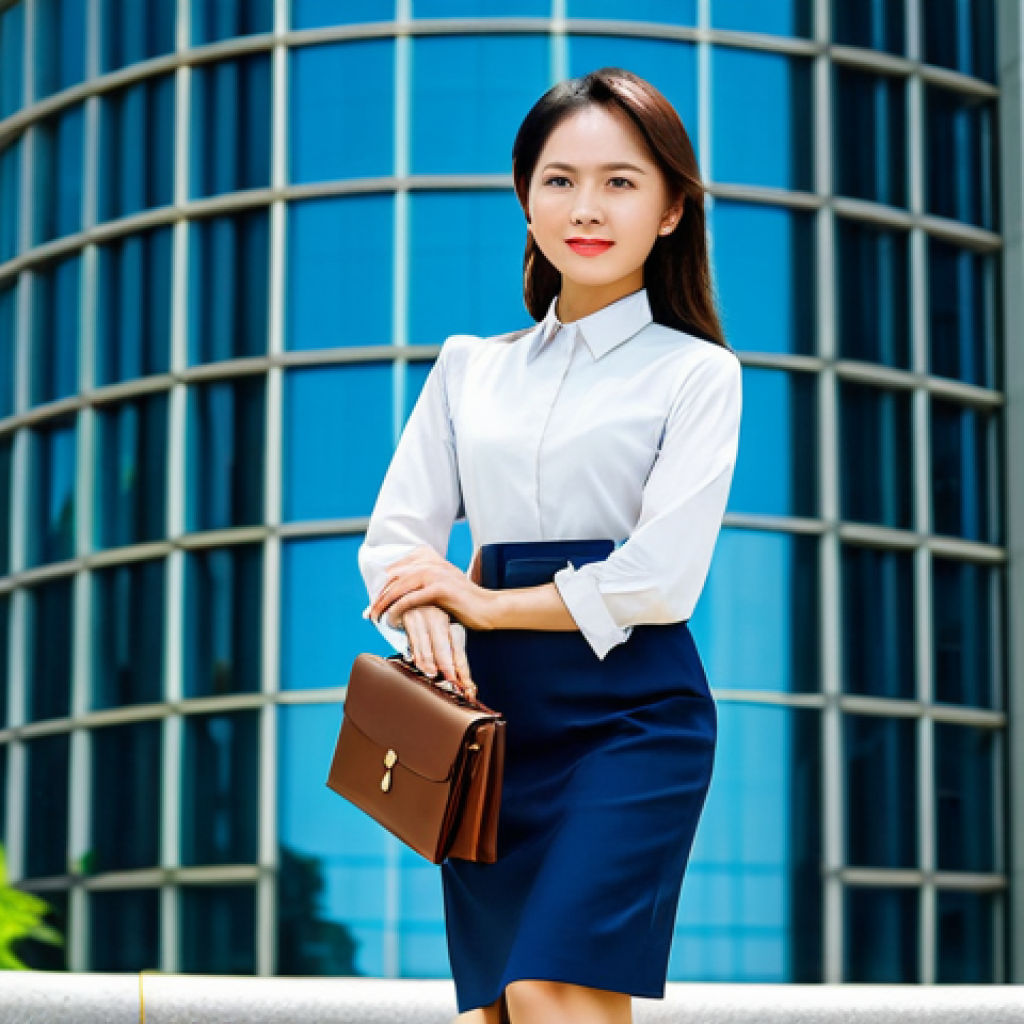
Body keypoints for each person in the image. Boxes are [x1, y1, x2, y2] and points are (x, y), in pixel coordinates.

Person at [359, 67, 743, 1024]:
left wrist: (479, 599)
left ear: (668, 211)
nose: (587, 206)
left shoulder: (699, 373)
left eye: (621, 181)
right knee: (497, 1010)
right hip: (487, 722)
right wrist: (430, 609)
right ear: (526, 199)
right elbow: (398, 540)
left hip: (632, 714)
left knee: (551, 989)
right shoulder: (467, 369)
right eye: (560, 179)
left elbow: (661, 579)